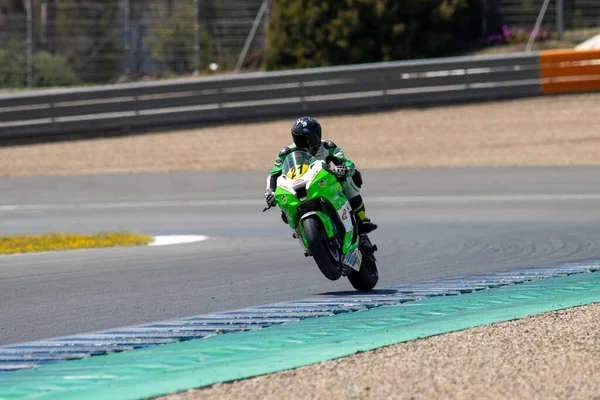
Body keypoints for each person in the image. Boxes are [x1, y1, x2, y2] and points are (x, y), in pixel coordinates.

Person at [264, 116, 378, 234]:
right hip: (297, 187)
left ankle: (361, 218)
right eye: (301, 139)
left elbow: (344, 161)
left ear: (318, 135)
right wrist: (270, 191)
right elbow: (273, 175)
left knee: (349, 179)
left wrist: (343, 168)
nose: (306, 144)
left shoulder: (327, 146)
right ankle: (301, 232)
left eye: (310, 139)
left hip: (322, 183)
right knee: (283, 208)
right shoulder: (286, 153)